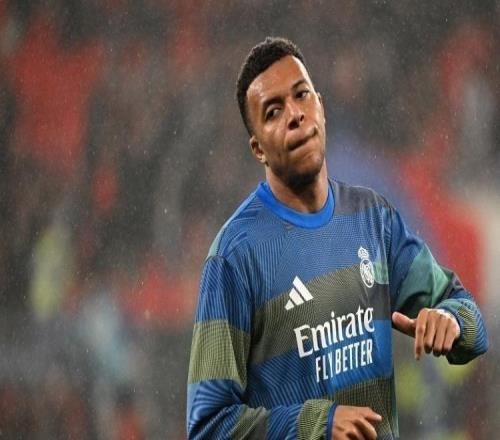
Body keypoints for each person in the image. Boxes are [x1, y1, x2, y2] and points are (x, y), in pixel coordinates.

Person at [186, 37, 488, 440]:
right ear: (257, 148)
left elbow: (471, 320)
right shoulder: (235, 257)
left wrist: (451, 321)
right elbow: (208, 426)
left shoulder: (374, 218)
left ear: (321, 107)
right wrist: (317, 423)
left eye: (301, 95)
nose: (295, 115)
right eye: (273, 111)